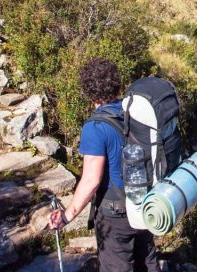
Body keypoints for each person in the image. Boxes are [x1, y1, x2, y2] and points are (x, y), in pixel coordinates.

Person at [49, 58, 159, 272]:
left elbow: (91, 180)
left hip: (115, 214)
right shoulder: (133, 113)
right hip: (144, 203)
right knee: (146, 263)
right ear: (117, 84)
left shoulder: (95, 127)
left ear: (88, 91)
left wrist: (66, 216)